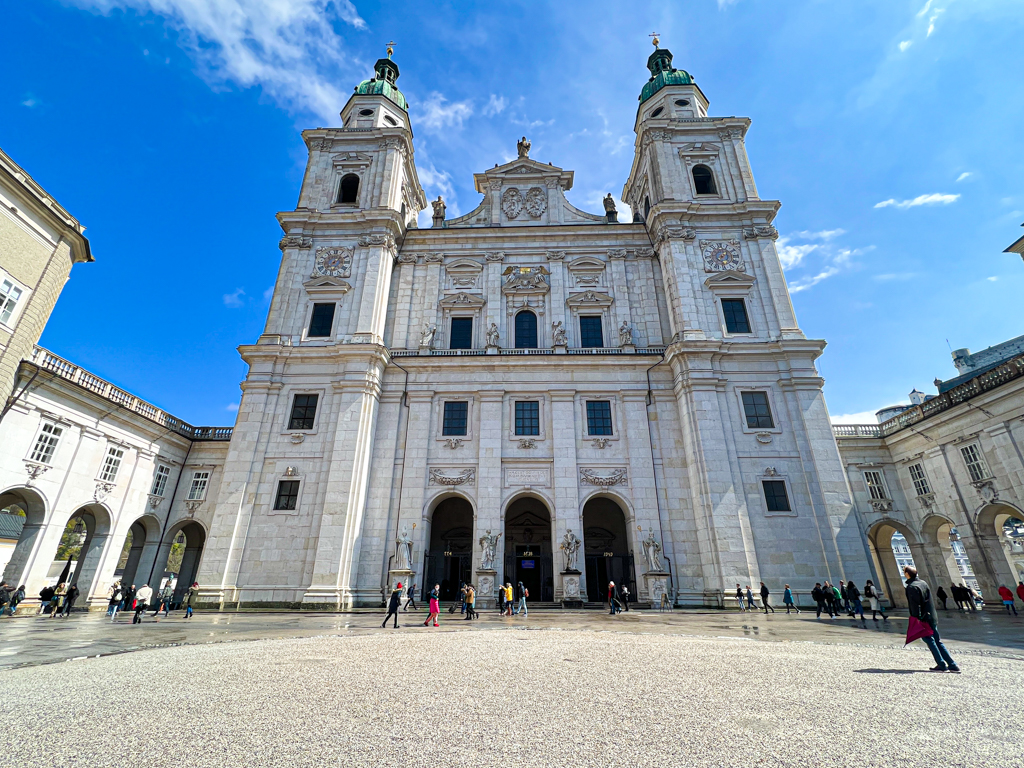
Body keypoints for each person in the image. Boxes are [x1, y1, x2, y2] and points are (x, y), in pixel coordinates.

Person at [904, 566, 960, 673]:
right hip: (931, 616)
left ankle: (941, 664)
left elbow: (915, 606)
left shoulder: (912, 587)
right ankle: (952, 665)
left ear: (907, 574)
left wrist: (916, 619)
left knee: (929, 640)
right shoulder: (923, 583)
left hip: (923, 618)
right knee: (937, 640)